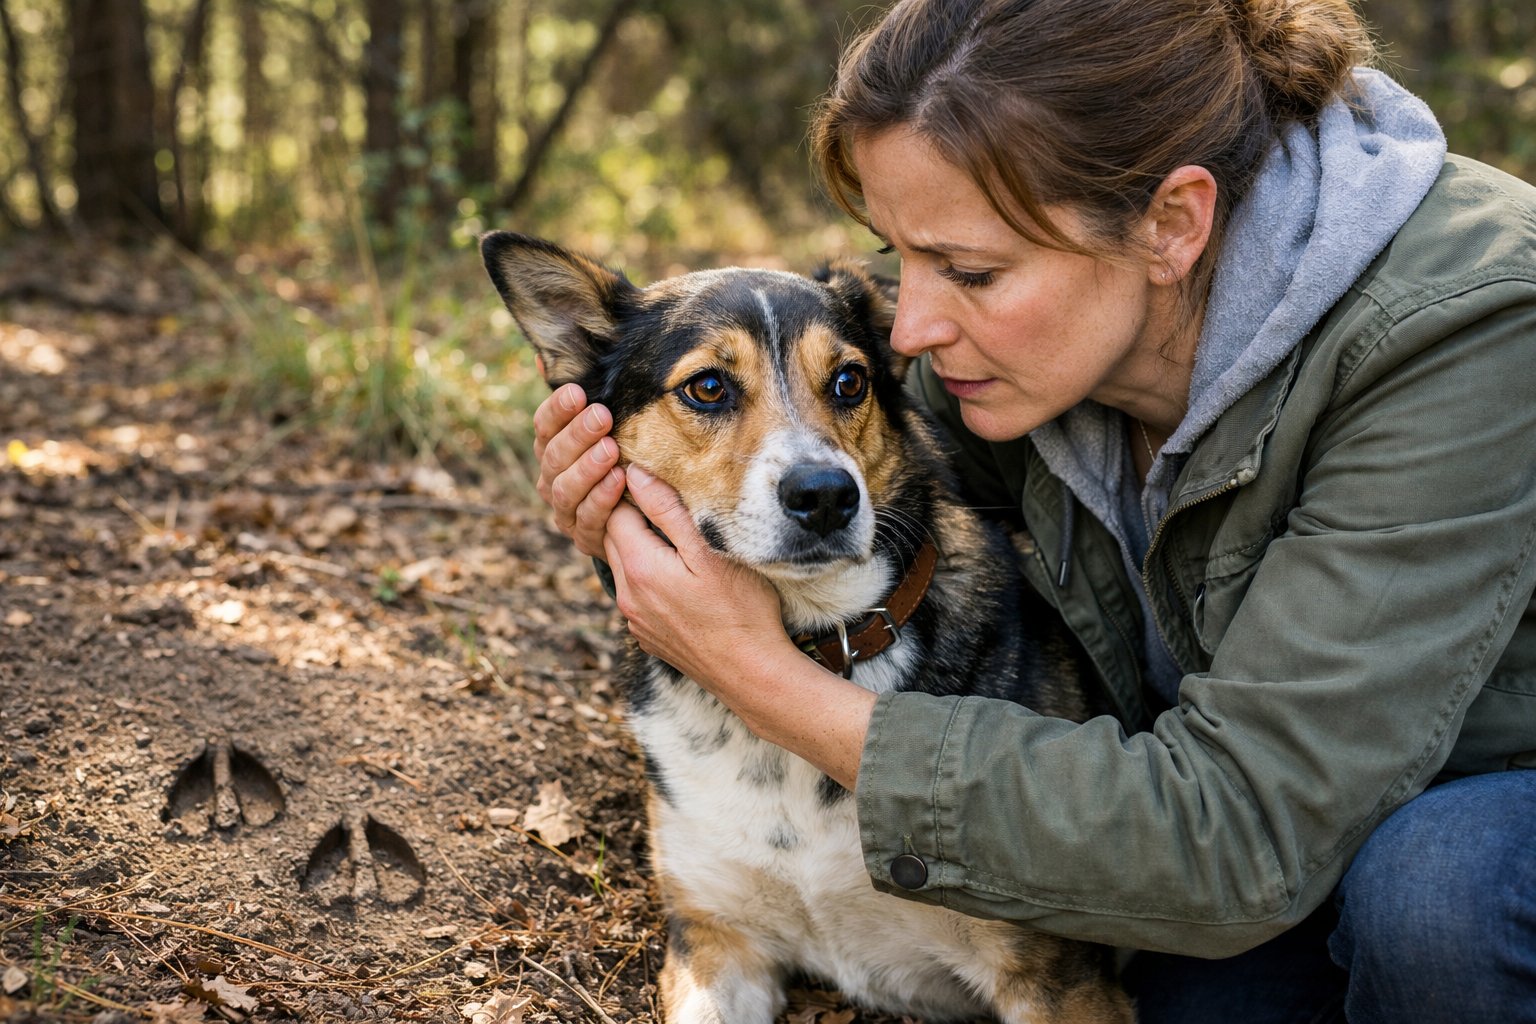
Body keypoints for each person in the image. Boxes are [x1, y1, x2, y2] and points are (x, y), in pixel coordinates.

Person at [529, 0, 1536, 1020]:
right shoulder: (1050, 346)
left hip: (1459, 813)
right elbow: (807, 476)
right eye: (902, 257)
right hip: (1306, 825)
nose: (910, 328)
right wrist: (625, 517)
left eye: (970, 271)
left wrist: (759, 675)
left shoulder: (1471, 330)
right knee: (1188, 992)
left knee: (1439, 892)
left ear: (1173, 224)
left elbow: (1240, 831)